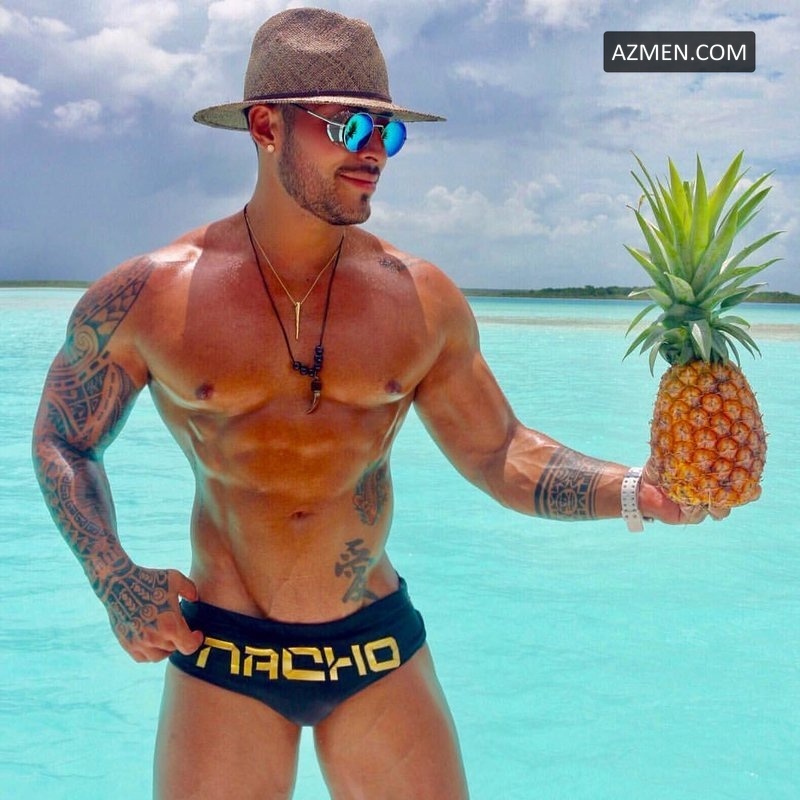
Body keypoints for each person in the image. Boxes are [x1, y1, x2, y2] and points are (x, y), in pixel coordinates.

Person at [31, 8, 732, 799]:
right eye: (349, 126)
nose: (373, 151)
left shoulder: (419, 299)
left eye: (389, 133)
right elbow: (63, 438)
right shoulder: (151, 295)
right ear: (266, 126)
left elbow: (497, 450)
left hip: (374, 647)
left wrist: (635, 490)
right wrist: (113, 578)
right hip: (222, 647)